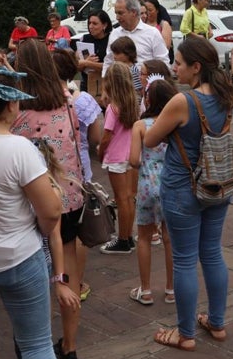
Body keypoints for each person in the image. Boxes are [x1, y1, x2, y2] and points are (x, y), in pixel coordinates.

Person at [0, 69, 77, 359]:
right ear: (10, 106)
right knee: (36, 345)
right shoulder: (20, 149)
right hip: (21, 257)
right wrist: (42, 229)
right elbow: (52, 210)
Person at [142, 36, 233, 351]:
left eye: (179, 63)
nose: (173, 67)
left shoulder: (183, 101)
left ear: (196, 67)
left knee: (184, 260)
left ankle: (185, 334)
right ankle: (217, 323)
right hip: (219, 185)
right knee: (211, 252)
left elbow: (150, 140)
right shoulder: (226, 96)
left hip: (183, 188)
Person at [12, 39, 87, 359]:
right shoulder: (67, 103)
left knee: (31, 278)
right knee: (67, 272)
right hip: (68, 198)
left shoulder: (17, 112)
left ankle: (31, 353)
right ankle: (69, 345)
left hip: (29, 204)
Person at [52, 48, 101, 304]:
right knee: (75, 232)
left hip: (51, 172)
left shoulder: (40, 100)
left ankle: (57, 276)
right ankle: (77, 280)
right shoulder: (83, 100)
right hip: (79, 169)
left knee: (54, 228)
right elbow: (96, 138)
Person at [128, 79, 176, 306]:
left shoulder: (140, 125)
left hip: (147, 186)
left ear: (148, 99)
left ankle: (146, 290)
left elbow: (133, 160)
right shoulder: (176, 123)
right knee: (170, 239)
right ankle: (171, 290)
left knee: (145, 238)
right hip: (171, 185)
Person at [98, 65, 141, 255]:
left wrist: (100, 151)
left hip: (116, 157)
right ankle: (128, 236)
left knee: (121, 199)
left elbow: (107, 135)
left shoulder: (112, 108)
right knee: (130, 198)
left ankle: (123, 239)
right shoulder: (134, 104)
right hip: (131, 155)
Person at [104, 0, 168, 75]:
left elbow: (163, 62)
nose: (117, 17)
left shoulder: (152, 33)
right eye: (116, 13)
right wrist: (105, 82)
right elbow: (108, 62)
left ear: (133, 12)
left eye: (120, 13)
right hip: (120, 85)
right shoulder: (114, 34)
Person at [76, 9, 112, 97]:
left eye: (95, 23)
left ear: (105, 25)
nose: (91, 26)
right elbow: (77, 66)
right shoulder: (84, 39)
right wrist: (84, 63)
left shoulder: (111, 40)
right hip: (86, 84)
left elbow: (111, 67)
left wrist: (87, 63)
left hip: (106, 84)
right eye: (89, 23)